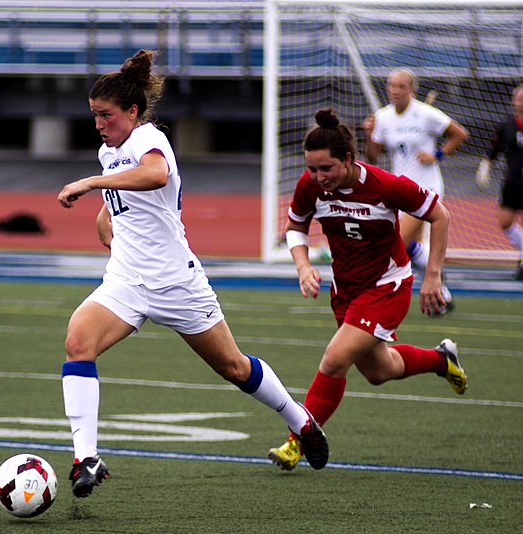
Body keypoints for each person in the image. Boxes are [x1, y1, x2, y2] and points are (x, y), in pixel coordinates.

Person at [56, 49, 328, 497]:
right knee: (77, 342)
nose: (99, 124)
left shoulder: (150, 140)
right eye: (94, 116)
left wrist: (91, 184)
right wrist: (106, 214)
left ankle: (300, 421)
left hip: (176, 283)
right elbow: (125, 192)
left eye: (106, 115)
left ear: (133, 111)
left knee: (234, 367)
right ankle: (86, 459)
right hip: (125, 281)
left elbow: (155, 175)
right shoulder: (109, 151)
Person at [267, 108, 468, 471]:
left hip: (387, 286)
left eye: (325, 168)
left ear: (347, 159)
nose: (318, 177)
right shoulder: (309, 186)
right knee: (379, 371)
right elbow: (295, 226)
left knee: (334, 358)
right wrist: (303, 266)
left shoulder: (385, 185)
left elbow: (439, 215)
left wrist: (433, 275)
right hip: (345, 290)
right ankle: (442, 360)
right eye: (312, 169)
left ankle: (299, 441)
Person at [363, 69, 468, 315]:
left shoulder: (425, 113)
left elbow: (459, 134)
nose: (395, 90)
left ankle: (432, 288)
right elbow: (372, 156)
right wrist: (369, 134)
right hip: (398, 190)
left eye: (401, 86)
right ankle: (440, 291)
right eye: (392, 85)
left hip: (425, 188)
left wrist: (437, 155)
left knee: (397, 241)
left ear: (412, 89)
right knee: (408, 247)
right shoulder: (383, 117)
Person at [475, 85, 523, 280]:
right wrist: (486, 166)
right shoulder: (505, 126)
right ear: (513, 101)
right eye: (519, 98)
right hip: (511, 181)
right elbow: (494, 150)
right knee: (505, 221)